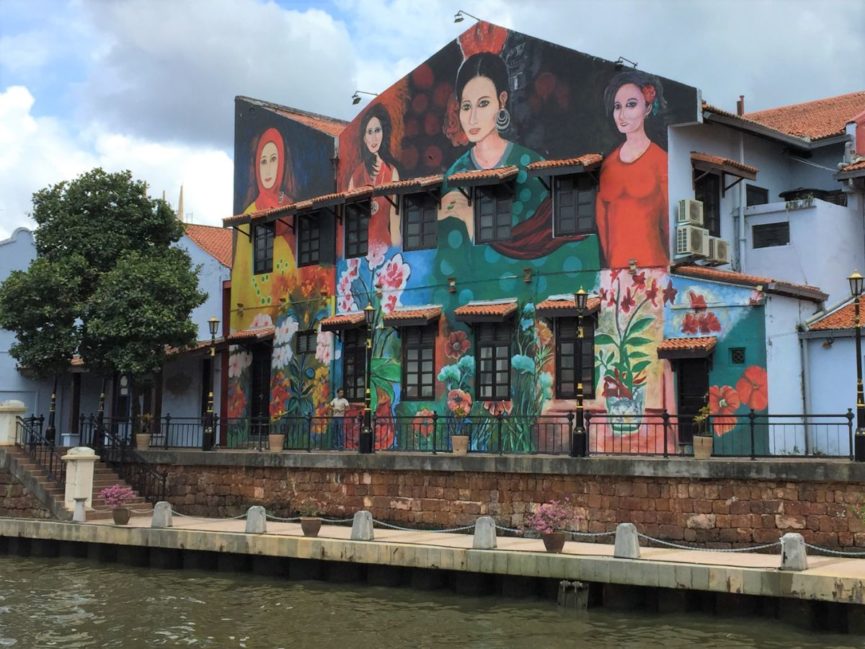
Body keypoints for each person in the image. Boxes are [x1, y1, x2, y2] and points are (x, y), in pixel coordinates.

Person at [440, 52, 578, 259]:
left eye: (483, 103)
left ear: (501, 100)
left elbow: (550, 243)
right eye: (467, 107)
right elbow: (448, 256)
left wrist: (472, 220)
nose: (473, 117)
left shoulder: (532, 165)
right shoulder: (455, 174)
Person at [595, 70, 669, 269]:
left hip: (655, 272)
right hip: (615, 275)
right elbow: (603, 228)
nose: (622, 115)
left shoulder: (661, 160)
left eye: (631, 105)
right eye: (617, 107)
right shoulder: (608, 165)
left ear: (647, 108)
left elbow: (669, 225)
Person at [348, 105, 401, 246]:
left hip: (386, 247)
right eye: (369, 132)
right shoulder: (356, 177)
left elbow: (395, 219)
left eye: (377, 130)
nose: (374, 137)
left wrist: (397, 252)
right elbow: (352, 224)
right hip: (362, 251)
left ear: (384, 133)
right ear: (364, 138)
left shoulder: (392, 172)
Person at [243, 127, 296, 214]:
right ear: (257, 167)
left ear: (281, 163)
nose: (268, 170)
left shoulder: (292, 207)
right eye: (263, 161)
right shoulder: (249, 214)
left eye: (273, 159)